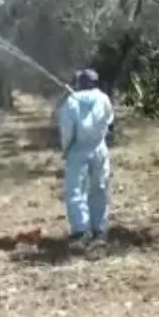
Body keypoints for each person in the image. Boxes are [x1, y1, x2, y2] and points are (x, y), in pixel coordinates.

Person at [56, 69, 115, 241]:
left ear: (79, 83)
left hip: (77, 149)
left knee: (75, 190)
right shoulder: (104, 98)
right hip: (99, 147)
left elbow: (67, 129)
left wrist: (66, 149)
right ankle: (99, 229)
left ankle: (80, 230)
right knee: (99, 187)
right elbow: (109, 121)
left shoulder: (71, 101)